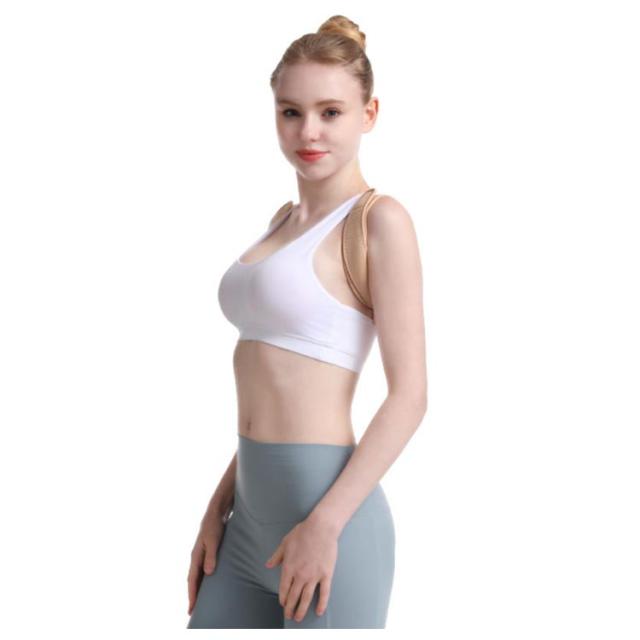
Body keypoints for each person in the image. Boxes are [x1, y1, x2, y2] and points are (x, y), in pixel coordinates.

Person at [186, 14, 427, 629]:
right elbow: (271, 388)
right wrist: (218, 505)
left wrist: (325, 525)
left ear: (369, 114)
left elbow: (410, 397)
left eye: (330, 112)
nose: (308, 131)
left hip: (331, 526)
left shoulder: (379, 221)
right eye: (290, 112)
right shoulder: (280, 222)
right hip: (244, 524)